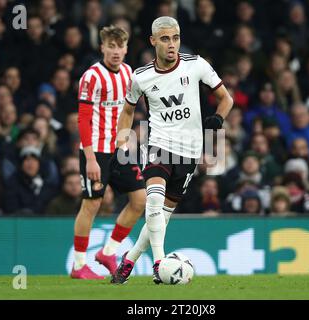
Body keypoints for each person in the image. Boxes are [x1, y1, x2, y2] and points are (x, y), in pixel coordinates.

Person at [112, 16, 233, 284]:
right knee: (152, 202)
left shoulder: (196, 65)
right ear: (153, 41)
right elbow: (129, 108)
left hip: (189, 152)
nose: (172, 44)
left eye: (175, 38)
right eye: (165, 39)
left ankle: (129, 260)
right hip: (159, 145)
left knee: (161, 218)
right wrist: (122, 140)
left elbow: (226, 98)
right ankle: (159, 264)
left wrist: (218, 119)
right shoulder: (141, 76)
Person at [71, 25, 146, 280]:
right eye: (111, 46)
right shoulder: (91, 77)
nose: (116, 51)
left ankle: (109, 251)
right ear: (102, 47)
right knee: (92, 203)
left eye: (120, 46)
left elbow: (130, 110)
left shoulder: (128, 73)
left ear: (126, 49)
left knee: (140, 199)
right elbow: (82, 120)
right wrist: (90, 158)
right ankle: (79, 265)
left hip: (119, 149)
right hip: (96, 151)